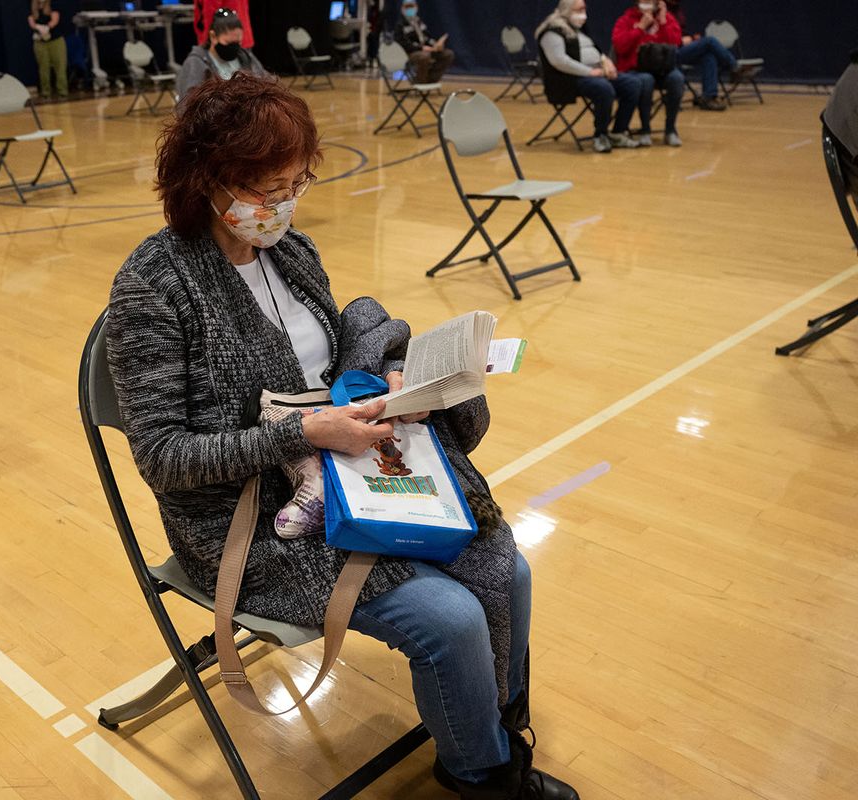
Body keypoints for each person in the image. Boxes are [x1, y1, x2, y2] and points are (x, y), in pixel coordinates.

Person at [105, 72, 580, 800]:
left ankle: (493, 724)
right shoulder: (154, 286)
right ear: (208, 180)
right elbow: (163, 458)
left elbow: (327, 369)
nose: (284, 205)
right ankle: (480, 773)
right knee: (450, 619)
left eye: (296, 183)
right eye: (267, 190)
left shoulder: (290, 253)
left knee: (505, 570)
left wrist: (387, 392)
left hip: (342, 473)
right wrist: (305, 429)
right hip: (254, 521)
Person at [536, 0, 643, 153]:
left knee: (632, 84)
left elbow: (595, 50)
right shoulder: (552, 31)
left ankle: (618, 132)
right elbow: (559, 61)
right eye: (579, 10)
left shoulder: (579, 29)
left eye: (584, 9)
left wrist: (606, 62)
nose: (583, 14)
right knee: (604, 89)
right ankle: (600, 135)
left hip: (596, 73)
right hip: (569, 79)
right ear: (567, 10)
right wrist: (589, 72)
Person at [611, 0, 684, 147]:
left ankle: (670, 130)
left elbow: (675, 44)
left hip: (663, 69)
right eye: (644, 1)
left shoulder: (667, 19)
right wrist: (640, 28)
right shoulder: (625, 20)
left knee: (677, 79)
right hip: (636, 69)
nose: (648, 4)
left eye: (651, 1)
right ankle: (645, 130)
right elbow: (620, 47)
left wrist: (663, 23)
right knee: (646, 80)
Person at [665, 0, 755, 110]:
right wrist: (685, 40)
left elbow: (681, 31)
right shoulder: (661, 10)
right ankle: (734, 67)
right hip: (671, 51)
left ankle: (708, 98)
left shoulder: (677, 9)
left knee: (708, 56)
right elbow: (664, 35)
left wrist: (691, 38)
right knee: (709, 41)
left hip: (684, 47)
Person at [175, 8, 268, 105]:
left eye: (238, 43)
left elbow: (266, 83)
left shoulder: (245, 56)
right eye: (228, 43)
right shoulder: (196, 62)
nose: (234, 47)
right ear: (213, 37)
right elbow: (187, 105)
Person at [394, 0, 454, 84]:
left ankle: (431, 80)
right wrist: (421, 48)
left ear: (416, 7)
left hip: (426, 50)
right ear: (402, 8)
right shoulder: (400, 25)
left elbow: (427, 38)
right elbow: (401, 44)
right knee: (424, 56)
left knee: (448, 54)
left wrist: (436, 45)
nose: (410, 9)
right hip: (410, 52)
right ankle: (420, 82)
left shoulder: (419, 22)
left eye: (412, 6)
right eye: (407, 7)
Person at [29, 0, 68, 101]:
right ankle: (45, 92)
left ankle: (62, 91)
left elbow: (55, 20)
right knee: (43, 68)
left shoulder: (53, 4)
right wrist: (37, 27)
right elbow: (31, 20)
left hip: (55, 40)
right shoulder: (33, 7)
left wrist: (47, 27)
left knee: (60, 66)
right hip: (40, 42)